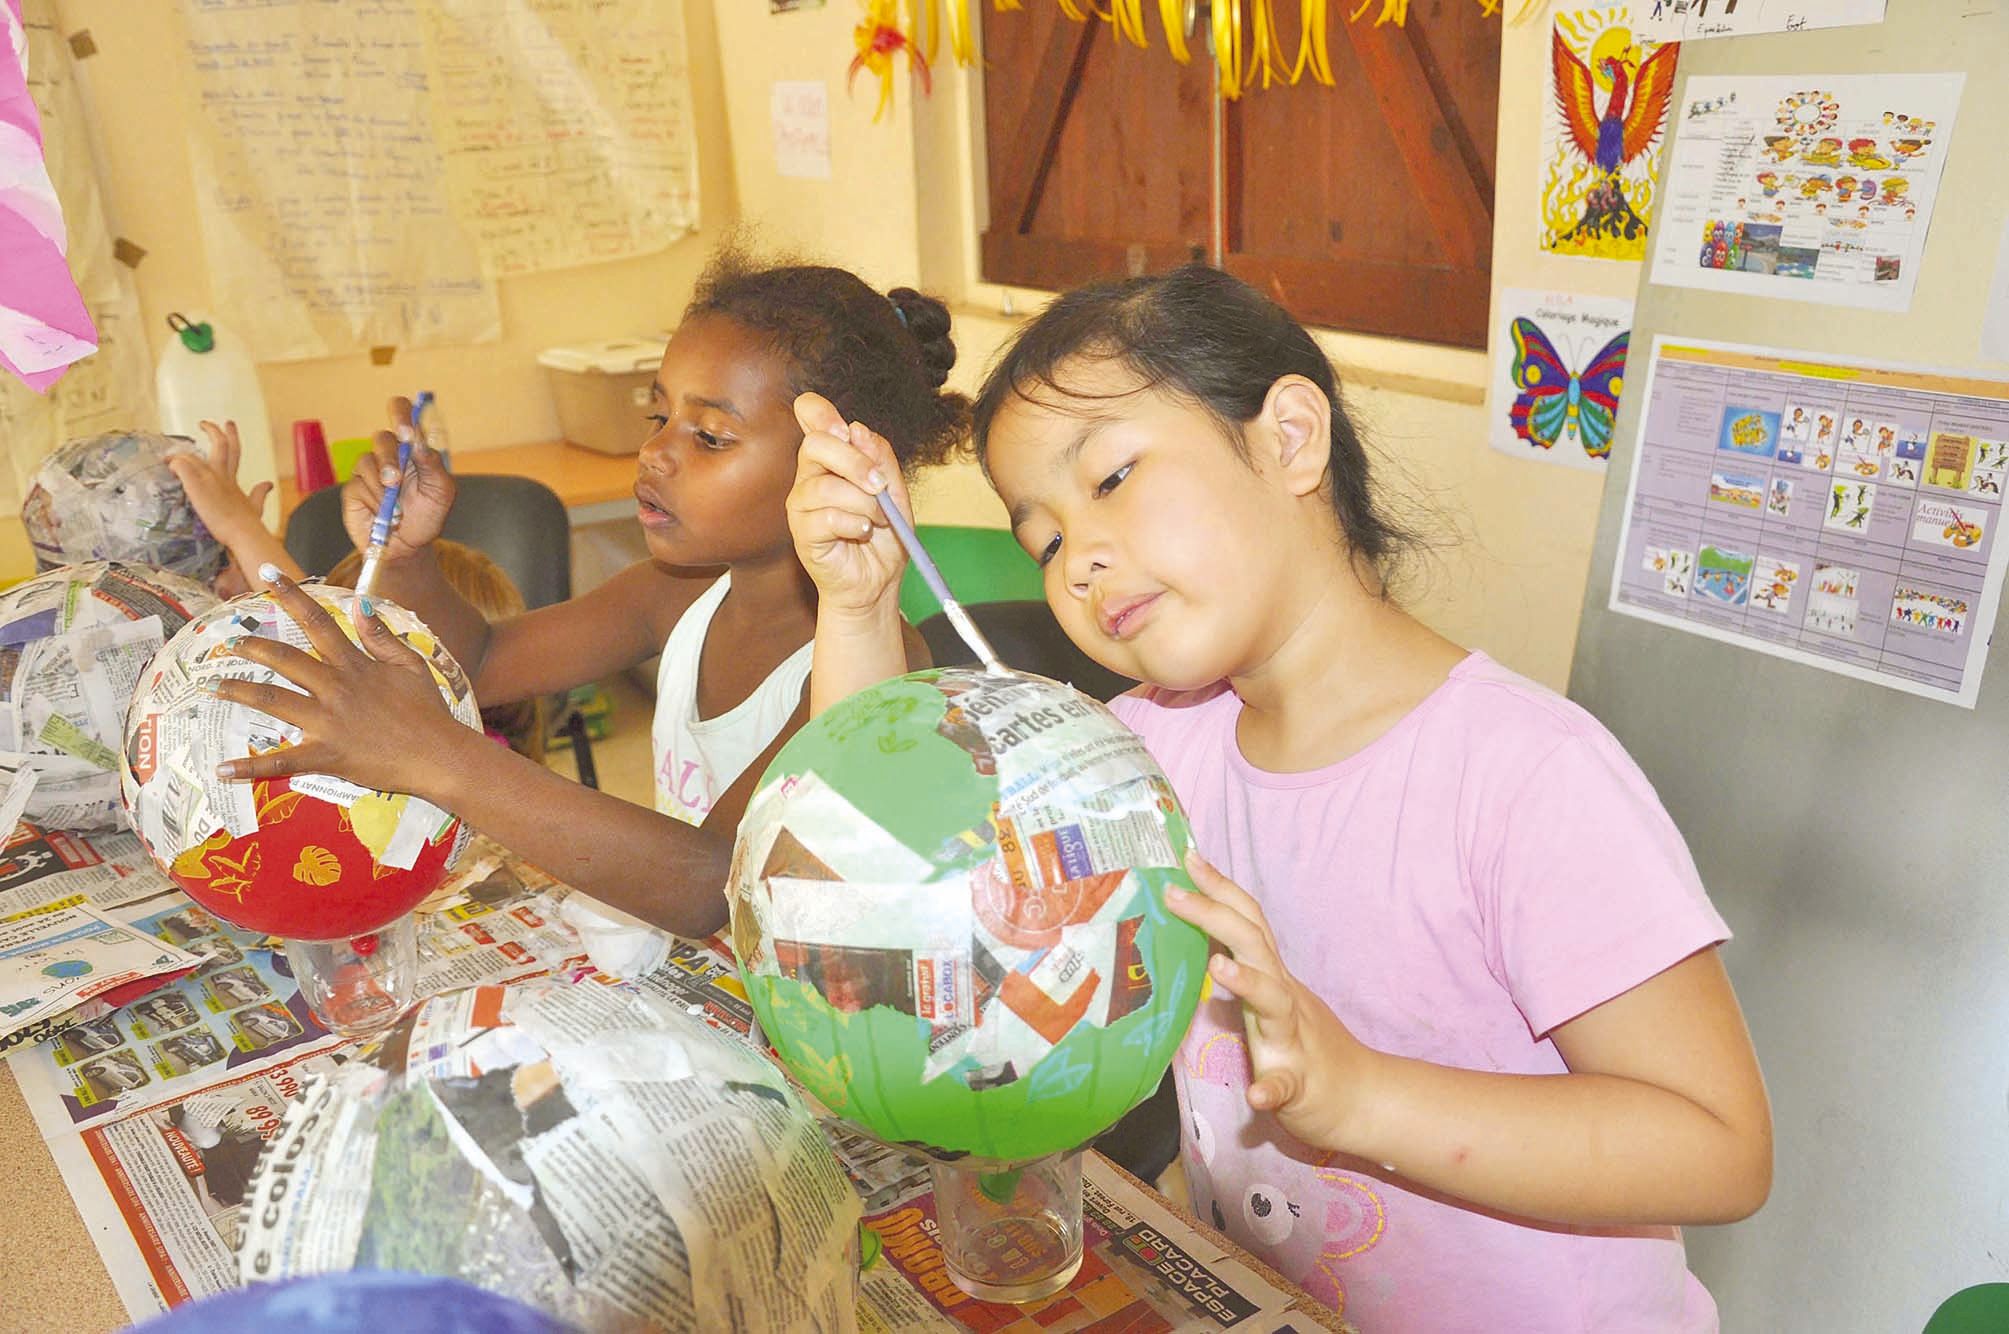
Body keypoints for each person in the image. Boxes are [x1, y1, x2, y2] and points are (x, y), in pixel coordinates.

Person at [787, 264, 1771, 1329]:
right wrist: (856, 605)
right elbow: (888, 871)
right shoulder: (1139, 756)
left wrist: (1361, 1096)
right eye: (1047, 540)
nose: (1076, 564)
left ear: (1288, 438)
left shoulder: (1523, 774)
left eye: (1110, 479)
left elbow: (1717, 1145)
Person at [198, 250, 964, 939]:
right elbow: (484, 663)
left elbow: (712, 883)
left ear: (839, 467)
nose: (656, 451)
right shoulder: (677, 593)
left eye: (708, 437)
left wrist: (435, 756)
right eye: (658, 414)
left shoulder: (876, 669)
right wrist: (406, 557)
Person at [171, 431, 545, 760]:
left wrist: (241, 529)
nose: (333, 649)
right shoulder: (470, 741)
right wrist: (243, 542)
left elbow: (320, 631)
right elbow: (317, 621)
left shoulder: (458, 770)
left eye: (357, 635)